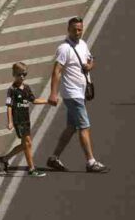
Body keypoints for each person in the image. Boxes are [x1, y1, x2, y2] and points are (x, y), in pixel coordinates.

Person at [46, 16, 107, 173]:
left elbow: (91, 59)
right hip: (72, 93)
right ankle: (91, 162)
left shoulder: (83, 44)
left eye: (80, 29)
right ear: (68, 30)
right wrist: (53, 93)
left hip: (80, 92)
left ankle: (54, 158)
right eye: (74, 29)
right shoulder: (64, 48)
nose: (77, 32)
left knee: (72, 127)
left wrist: (90, 65)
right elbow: (57, 71)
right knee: (84, 126)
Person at [0, 62, 49, 177]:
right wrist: (10, 121)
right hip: (18, 120)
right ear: (14, 75)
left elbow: (33, 100)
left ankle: (5, 159)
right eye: (19, 74)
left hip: (26, 119)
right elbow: (9, 106)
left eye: (24, 74)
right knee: (28, 143)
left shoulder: (26, 88)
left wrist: (48, 101)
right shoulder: (12, 90)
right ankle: (31, 169)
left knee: (25, 144)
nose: (22, 77)